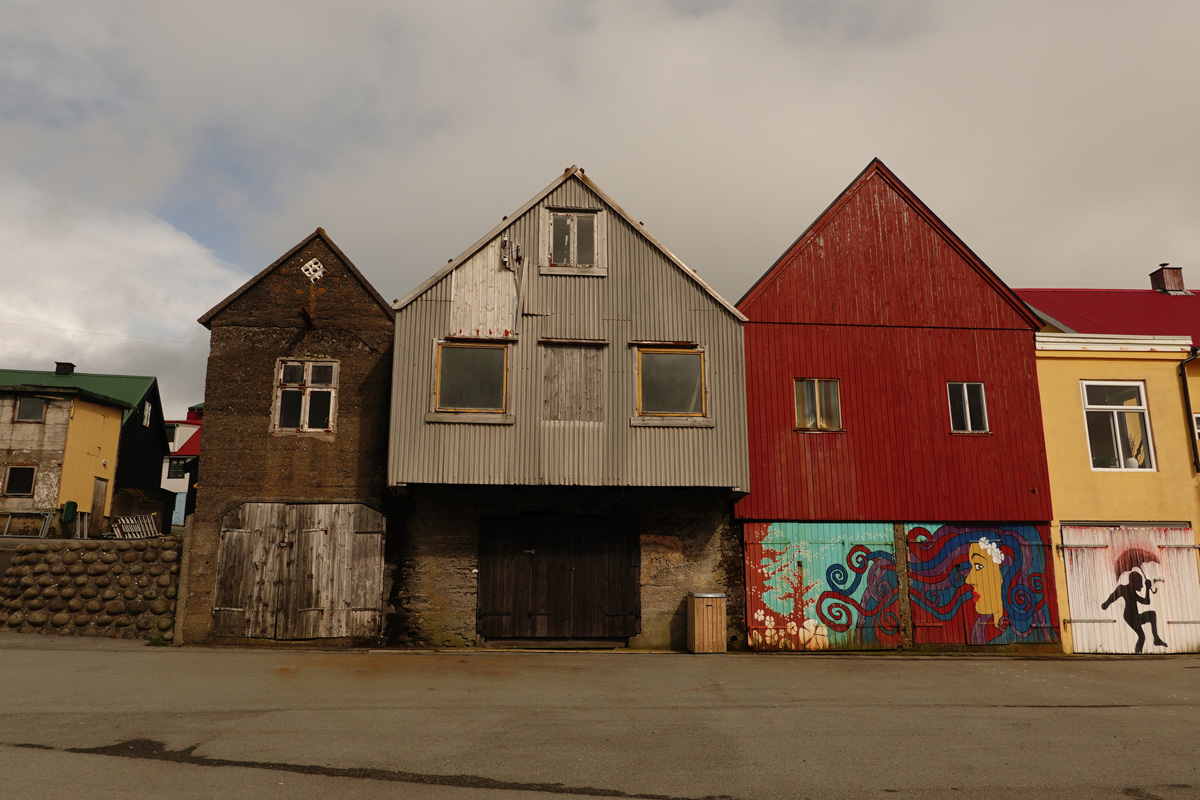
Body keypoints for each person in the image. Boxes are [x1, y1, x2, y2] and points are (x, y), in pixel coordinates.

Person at [1101, 570, 1167, 654]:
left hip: (1136, 616)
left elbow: (1146, 602)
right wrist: (1106, 604)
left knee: (1152, 614)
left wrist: (1147, 589)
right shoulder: (1123, 588)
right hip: (1129, 617)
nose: (1142, 586)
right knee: (1142, 636)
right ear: (1134, 582)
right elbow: (1113, 596)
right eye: (1140, 583)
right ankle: (1138, 653)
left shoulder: (1133, 592)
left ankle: (1156, 638)